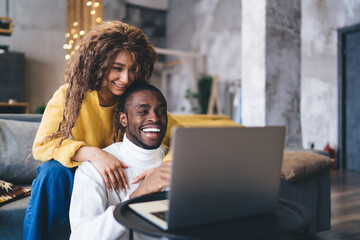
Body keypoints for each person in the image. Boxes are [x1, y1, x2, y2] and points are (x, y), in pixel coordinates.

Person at [23, 21, 180, 240]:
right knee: (53, 172)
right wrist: (95, 154)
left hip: (121, 178)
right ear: (98, 63)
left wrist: (163, 169)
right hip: (85, 170)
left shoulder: (134, 103)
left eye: (133, 69)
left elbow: (182, 136)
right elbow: (42, 146)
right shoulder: (70, 96)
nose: (126, 78)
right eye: (117, 68)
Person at [70, 83, 171, 240]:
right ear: (124, 119)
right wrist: (138, 194)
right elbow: (80, 236)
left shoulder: (175, 162)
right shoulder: (92, 169)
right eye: (143, 112)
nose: (155, 118)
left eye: (161, 112)